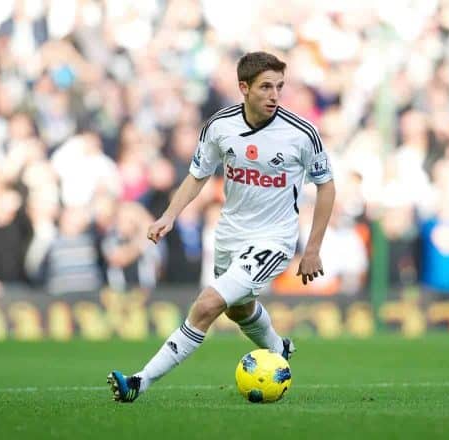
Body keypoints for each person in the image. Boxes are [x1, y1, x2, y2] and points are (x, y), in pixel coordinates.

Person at [107, 51, 335, 402]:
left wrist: (313, 248)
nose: (275, 95)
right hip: (230, 234)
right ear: (243, 88)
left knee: (208, 303)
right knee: (238, 308)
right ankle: (279, 347)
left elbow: (326, 186)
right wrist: (169, 215)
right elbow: (197, 175)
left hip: (274, 238)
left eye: (279, 86)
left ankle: (139, 381)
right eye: (265, 87)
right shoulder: (219, 126)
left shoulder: (301, 133)